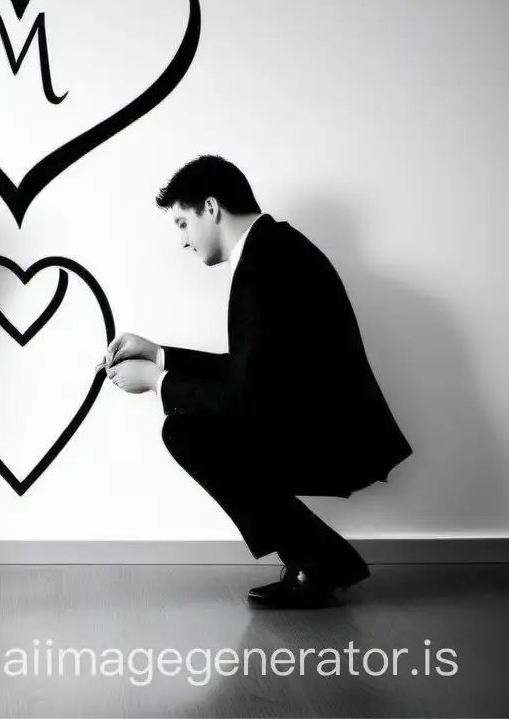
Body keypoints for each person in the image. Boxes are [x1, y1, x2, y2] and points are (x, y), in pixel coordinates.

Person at [104, 155, 412, 608]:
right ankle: (320, 556)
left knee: (186, 430)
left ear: (211, 207)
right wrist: (158, 354)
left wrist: (157, 381)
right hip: (318, 420)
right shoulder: (273, 247)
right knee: (190, 423)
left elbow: (248, 396)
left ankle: (320, 559)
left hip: (333, 438)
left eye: (183, 224)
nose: (183, 242)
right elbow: (256, 370)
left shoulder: (264, 264)